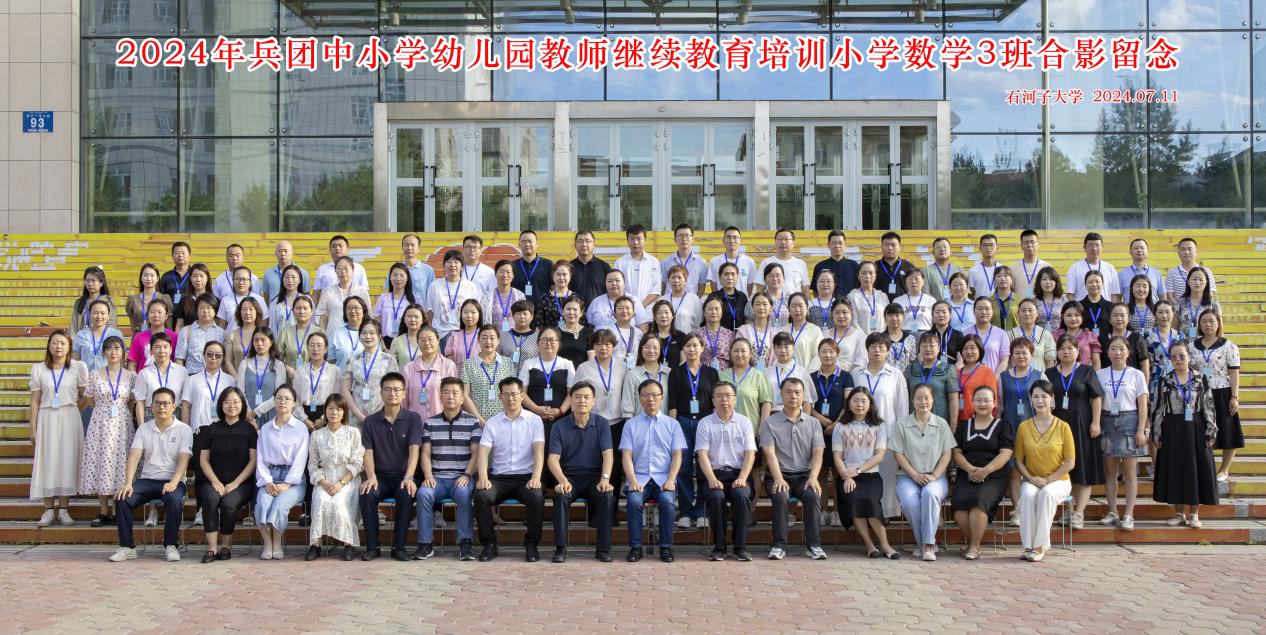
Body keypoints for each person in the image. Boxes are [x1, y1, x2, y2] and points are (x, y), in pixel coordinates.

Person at [108, 387, 192, 563]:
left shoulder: (184, 429)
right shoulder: (144, 428)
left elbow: (184, 459)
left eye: (166, 404)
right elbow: (134, 456)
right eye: (157, 403)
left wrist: (174, 482)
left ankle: (171, 545)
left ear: (173, 406)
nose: (161, 407)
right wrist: (128, 482)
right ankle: (127, 547)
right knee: (122, 499)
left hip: (173, 480)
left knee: (174, 499)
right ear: (151, 406)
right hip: (147, 480)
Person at [475, 377, 547, 562]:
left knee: (536, 496)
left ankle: (531, 544)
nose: (510, 398)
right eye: (506, 394)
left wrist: (536, 477)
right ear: (500, 397)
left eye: (514, 394)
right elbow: (482, 452)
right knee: (482, 495)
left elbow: (539, 451)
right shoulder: (493, 422)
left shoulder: (534, 420)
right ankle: (489, 544)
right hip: (499, 479)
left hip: (526, 478)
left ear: (522, 396)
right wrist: (483, 478)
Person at [1151, 342, 1218, 529]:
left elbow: (1209, 406)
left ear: (1189, 356)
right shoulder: (1164, 380)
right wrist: (1157, 434)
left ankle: (1194, 514)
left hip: (1195, 427)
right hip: (1172, 428)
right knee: (1175, 469)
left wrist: (1210, 432)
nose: (1178, 360)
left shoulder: (1200, 378)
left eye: (1181, 356)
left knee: (1194, 469)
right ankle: (1179, 513)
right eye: (1173, 357)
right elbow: (1157, 409)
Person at [547, 382, 616, 563]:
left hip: (595, 479)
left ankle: (603, 549)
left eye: (586, 397)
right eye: (577, 396)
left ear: (593, 401)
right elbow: (552, 459)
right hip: (569, 478)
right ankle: (561, 548)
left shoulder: (602, 423)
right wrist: (562, 480)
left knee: (607, 496)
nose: (582, 401)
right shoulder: (559, 426)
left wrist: (605, 479)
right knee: (561, 495)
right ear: (571, 400)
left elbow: (608, 455)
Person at [413, 378, 481, 562]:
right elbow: (425, 453)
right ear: (440, 396)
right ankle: (425, 544)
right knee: (423, 493)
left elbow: (476, 454)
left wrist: (467, 474)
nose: (451, 396)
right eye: (446, 392)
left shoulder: (472, 422)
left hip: (462, 477)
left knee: (463, 494)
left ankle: (465, 543)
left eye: (455, 393)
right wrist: (428, 476)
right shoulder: (430, 423)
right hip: (438, 478)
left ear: (462, 398)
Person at [762, 377, 829, 561]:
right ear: (781, 395)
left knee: (812, 495)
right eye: (789, 392)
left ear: (803, 396)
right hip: (778, 475)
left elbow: (818, 453)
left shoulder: (813, 423)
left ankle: (813, 545)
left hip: (804, 476)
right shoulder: (770, 422)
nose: (793, 396)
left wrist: (813, 477)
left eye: (797, 392)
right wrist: (778, 478)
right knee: (781, 495)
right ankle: (778, 545)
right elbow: (769, 453)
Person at [620, 378, 686, 563]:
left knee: (667, 501)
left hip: (664, 479)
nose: (650, 399)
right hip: (639, 478)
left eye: (655, 395)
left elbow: (677, 455)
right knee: (633, 501)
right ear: (640, 399)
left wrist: (671, 479)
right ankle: (635, 548)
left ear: (662, 397)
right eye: (646, 395)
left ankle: (665, 547)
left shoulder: (673, 425)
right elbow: (626, 456)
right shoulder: (630, 425)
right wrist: (632, 480)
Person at [358, 372, 423, 561]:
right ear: (381, 393)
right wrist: (371, 477)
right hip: (380, 477)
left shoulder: (413, 419)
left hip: (404, 475)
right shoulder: (370, 421)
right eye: (387, 389)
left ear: (404, 393)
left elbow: (414, 450)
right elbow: (367, 452)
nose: (392, 393)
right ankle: (373, 547)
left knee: (406, 494)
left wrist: (409, 477)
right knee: (367, 494)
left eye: (397, 389)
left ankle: (398, 547)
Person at [890, 383, 956, 562]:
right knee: (909, 502)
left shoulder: (941, 423)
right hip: (908, 477)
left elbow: (947, 454)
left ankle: (927, 545)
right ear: (912, 400)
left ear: (933, 400)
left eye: (926, 398)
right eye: (918, 398)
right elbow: (898, 454)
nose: (923, 402)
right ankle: (927, 544)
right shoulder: (902, 424)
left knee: (930, 494)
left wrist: (934, 476)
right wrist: (914, 475)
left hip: (936, 477)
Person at [1046, 333, 1106, 530]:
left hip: (1082, 426)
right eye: (1062, 349)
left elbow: (1096, 397)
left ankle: (1079, 512)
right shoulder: (1049, 373)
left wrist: (1096, 422)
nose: (1066, 352)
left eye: (1070, 348)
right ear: (1057, 352)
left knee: (1083, 468)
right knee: (1063, 469)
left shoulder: (1086, 371)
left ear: (1077, 351)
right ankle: (1068, 510)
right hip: (1056, 427)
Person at [832, 387, 899, 559]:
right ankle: (870, 545)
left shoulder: (879, 426)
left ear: (870, 405)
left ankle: (885, 545)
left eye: (863, 401)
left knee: (871, 502)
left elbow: (879, 456)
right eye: (855, 401)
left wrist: (858, 470)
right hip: (847, 475)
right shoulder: (840, 426)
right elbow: (837, 456)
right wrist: (846, 475)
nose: (859, 404)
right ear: (849, 404)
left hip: (870, 475)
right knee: (854, 499)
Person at [29, 330, 88, 527]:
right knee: (47, 461)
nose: (59, 347)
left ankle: (63, 509)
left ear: (69, 346)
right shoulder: (39, 369)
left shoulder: (77, 368)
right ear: (49, 345)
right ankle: (48, 510)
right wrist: (32, 428)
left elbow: (86, 395)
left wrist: (74, 409)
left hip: (69, 418)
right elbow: (35, 401)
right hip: (47, 417)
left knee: (66, 461)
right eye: (55, 343)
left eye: (63, 343)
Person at [1013, 379, 1076, 562]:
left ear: (1052, 398)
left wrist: (1048, 480)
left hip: (1059, 481)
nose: (1040, 401)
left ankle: (1040, 546)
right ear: (1031, 399)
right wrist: (1030, 478)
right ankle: (1028, 546)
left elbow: (1070, 462)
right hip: (1031, 479)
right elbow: (1018, 461)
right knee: (1028, 495)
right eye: (1035, 397)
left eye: (1044, 396)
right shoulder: (1024, 427)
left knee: (1046, 495)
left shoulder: (1063, 427)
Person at [950, 386, 1014, 560]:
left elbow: (1006, 453)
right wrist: (970, 469)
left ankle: (974, 546)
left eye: (987, 400)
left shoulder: (1002, 425)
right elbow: (956, 452)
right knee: (959, 508)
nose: (982, 404)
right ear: (972, 402)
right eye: (978, 400)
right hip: (967, 473)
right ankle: (975, 541)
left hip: (994, 475)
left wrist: (986, 471)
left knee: (978, 503)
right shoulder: (964, 425)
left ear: (994, 403)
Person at [695, 381, 756, 561]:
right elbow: (702, 454)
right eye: (719, 396)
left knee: (741, 495)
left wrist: (743, 478)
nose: (724, 399)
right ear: (713, 400)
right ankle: (719, 547)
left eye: (728, 395)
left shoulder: (744, 422)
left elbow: (750, 453)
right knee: (716, 496)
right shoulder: (705, 423)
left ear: (735, 399)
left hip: (738, 474)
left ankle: (740, 548)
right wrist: (712, 479)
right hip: (714, 475)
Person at [79, 335, 136, 527]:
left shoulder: (131, 376)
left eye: (117, 348)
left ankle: (118, 509)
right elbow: (89, 399)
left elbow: (131, 401)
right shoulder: (95, 374)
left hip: (122, 424)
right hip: (100, 424)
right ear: (103, 352)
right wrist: (103, 410)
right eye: (109, 348)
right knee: (101, 462)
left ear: (123, 352)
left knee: (120, 462)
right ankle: (104, 511)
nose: (113, 352)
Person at [852, 332, 910, 518]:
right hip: (860, 434)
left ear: (887, 350)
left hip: (888, 434)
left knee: (887, 475)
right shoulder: (857, 374)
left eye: (881, 347)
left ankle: (886, 514)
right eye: (873, 346)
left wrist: (901, 435)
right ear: (867, 350)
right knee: (864, 475)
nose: (877, 350)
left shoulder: (895, 375)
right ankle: (866, 512)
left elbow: (902, 407)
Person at [665, 334, 719, 529]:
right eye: (688, 346)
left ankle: (703, 511)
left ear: (702, 348)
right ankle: (686, 511)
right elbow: (672, 402)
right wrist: (673, 427)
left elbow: (715, 400)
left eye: (695, 345)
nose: (692, 349)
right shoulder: (676, 373)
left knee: (705, 468)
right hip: (683, 422)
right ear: (683, 349)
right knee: (684, 469)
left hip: (706, 423)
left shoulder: (711, 372)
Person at [1096, 336, 1150, 531]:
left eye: (1121, 349)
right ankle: (1112, 511)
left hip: (1129, 420)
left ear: (1128, 352)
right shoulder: (1100, 374)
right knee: (1110, 472)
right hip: (1107, 420)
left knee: (1129, 472)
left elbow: (1142, 405)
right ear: (1107, 352)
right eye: (1113, 349)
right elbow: (1096, 401)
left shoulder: (1136, 374)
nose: (1117, 352)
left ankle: (1128, 514)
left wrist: (1141, 429)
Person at [197, 388, 257, 563]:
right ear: (221, 405)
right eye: (227, 402)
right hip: (213, 481)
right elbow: (204, 460)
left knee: (228, 504)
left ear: (242, 405)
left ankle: (225, 546)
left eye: (236, 402)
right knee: (210, 500)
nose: (232, 406)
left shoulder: (249, 430)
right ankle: (211, 548)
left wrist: (236, 483)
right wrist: (215, 481)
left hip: (241, 483)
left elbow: (253, 461)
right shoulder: (211, 429)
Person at [303, 393, 364, 561]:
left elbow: (358, 463)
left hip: (347, 480)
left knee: (339, 503)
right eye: (331, 408)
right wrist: (323, 482)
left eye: (339, 409)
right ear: (325, 411)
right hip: (324, 479)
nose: (334, 412)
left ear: (344, 412)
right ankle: (315, 544)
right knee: (321, 500)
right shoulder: (317, 435)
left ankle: (349, 544)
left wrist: (340, 483)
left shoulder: (353, 433)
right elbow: (312, 465)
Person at [252, 385, 308, 560]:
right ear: (274, 401)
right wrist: (268, 481)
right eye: (279, 398)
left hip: (294, 480)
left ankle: (277, 542)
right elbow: (260, 459)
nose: (282, 401)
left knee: (279, 504)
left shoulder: (301, 429)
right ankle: (267, 542)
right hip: (270, 476)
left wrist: (287, 483)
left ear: (294, 403)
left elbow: (301, 459)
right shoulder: (265, 429)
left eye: (287, 399)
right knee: (262, 503)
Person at [1190, 310, 1242, 483]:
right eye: (1204, 321)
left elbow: (1234, 373)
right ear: (1199, 324)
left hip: (1222, 391)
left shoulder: (1229, 346)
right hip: (1199, 392)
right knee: (1200, 430)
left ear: (1218, 323)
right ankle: (1205, 467)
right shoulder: (1191, 346)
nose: (1208, 324)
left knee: (1228, 429)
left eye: (1212, 321)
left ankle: (1224, 469)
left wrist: (1234, 396)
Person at [575, 330, 628, 498]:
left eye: (607, 344)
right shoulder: (584, 368)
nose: (603, 348)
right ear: (593, 346)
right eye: (598, 344)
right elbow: (576, 395)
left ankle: (612, 508)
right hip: (594, 423)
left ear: (613, 346)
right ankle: (595, 509)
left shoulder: (622, 366)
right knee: (595, 466)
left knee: (616, 467)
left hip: (617, 424)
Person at [1001, 337, 1045, 522]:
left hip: (1034, 428)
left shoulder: (1039, 375)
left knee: (1033, 468)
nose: (1020, 356)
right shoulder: (1003, 376)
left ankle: (1033, 508)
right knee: (1014, 470)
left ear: (1031, 355)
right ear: (1011, 356)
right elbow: (1000, 404)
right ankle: (1017, 509)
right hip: (1010, 427)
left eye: (1024, 353)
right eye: (1017, 353)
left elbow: (1047, 404)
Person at [520, 326, 576, 445]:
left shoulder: (567, 364)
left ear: (558, 343)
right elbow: (521, 393)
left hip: (561, 418)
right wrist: (537, 410)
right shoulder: (529, 364)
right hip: (533, 417)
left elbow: (572, 393)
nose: (548, 343)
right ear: (538, 343)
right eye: (544, 339)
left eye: (552, 339)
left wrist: (560, 411)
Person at [342, 320, 399, 427]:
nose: (368, 336)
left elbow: (393, 389)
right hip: (355, 416)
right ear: (359, 336)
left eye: (372, 333)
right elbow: (345, 389)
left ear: (379, 336)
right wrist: (357, 413)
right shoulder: (353, 359)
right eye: (364, 333)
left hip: (382, 415)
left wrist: (377, 413)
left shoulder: (388, 360)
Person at [130, 332, 188, 429]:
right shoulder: (144, 373)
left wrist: (185, 428)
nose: (162, 351)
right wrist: (141, 428)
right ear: (151, 351)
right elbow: (140, 402)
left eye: (165, 347)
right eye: (157, 347)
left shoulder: (182, 372)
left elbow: (185, 403)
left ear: (171, 349)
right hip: (151, 418)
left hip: (175, 418)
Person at [460, 325, 515, 424]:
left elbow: (514, 392)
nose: (488, 342)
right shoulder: (468, 364)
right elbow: (465, 395)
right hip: (477, 423)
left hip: (505, 421)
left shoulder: (508, 363)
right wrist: (481, 422)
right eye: (484, 338)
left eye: (492, 338)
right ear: (478, 340)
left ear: (498, 341)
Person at [428, 250, 483, 347]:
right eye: (449, 262)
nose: (452, 265)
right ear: (444, 265)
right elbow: (429, 312)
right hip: (440, 334)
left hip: (463, 332)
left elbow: (477, 311)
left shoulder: (470, 286)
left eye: (456, 262)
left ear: (462, 266)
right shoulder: (435, 286)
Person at [904, 331, 959, 425]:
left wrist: (953, 426)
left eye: (932, 345)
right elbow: (905, 398)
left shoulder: (948, 369)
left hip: (939, 423)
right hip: (914, 423)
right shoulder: (910, 369)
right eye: (924, 346)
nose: (928, 349)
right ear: (919, 349)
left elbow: (953, 400)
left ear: (939, 348)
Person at [405, 325, 458, 423]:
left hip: (442, 423)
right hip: (414, 424)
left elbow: (454, 397)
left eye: (430, 339)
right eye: (422, 340)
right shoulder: (408, 368)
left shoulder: (449, 366)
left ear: (438, 341)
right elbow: (404, 400)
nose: (427, 343)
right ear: (417, 343)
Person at [239, 328, 288, 427]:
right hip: (247, 415)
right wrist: (248, 412)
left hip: (271, 415)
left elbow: (278, 395)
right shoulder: (245, 363)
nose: (259, 343)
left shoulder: (278, 365)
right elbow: (240, 391)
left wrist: (257, 411)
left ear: (271, 342)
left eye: (263, 340)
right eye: (256, 340)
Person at [956, 335, 1000, 433]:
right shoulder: (956, 372)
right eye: (965, 348)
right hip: (957, 421)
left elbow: (993, 400)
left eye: (972, 348)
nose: (969, 351)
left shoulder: (987, 372)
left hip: (978, 422)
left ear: (980, 350)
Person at [316, 257, 371, 334]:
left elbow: (368, 315)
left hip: (357, 336)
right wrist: (322, 337)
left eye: (346, 268)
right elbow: (323, 319)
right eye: (339, 268)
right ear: (335, 271)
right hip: (333, 335)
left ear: (352, 270)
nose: (343, 271)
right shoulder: (327, 292)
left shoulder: (361, 291)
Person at [174, 294, 225, 376]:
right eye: (202, 308)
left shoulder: (222, 333)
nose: (205, 311)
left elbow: (225, 361)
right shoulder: (186, 331)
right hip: (192, 376)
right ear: (196, 310)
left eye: (209, 308)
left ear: (215, 311)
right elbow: (179, 359)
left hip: (216, 377)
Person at [295, 333, 342, 422]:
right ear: (307, 348)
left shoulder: (334, 370)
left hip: (327, 415)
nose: (315, 349)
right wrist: (304, 419)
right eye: (311, 345)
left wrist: (324, 419)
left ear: (326, 349)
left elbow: (337, 398)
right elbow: (296, 399)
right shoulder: (300, 371)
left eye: (319, 345)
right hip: (303, 416)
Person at [587, 269, 652, 331]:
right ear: (605, 283)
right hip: (601, 338)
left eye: (617, 280)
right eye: (610, 281)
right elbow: (589, 325)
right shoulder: (596, 302)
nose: (614, 283)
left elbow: (643, 326)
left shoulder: (634, 301)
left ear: (624, 283)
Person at [74, 298, 126, 374]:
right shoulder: (81, 335)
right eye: (95, 313)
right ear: (89, 315)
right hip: (85, 378)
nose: (99, 316)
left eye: (103, 313)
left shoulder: (116, 334)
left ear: (108, 316)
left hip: (109, 378)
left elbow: (121, 361)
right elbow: (75, 362)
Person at [314, 235, 370, 303]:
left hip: (353, 307)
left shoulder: (359, 268)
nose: (337, 248)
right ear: (330, 250)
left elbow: (364, 293)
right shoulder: (322, 269)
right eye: (334, 246)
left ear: (347, 249)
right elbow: (316, 294)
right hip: (329, 308)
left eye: (340, 245)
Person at [1066, 232, 1121, 301]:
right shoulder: (1075, 268)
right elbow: (1070, 295)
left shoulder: (1110, 268)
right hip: (1082, 307)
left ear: (1102, 247)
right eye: (1090, 245)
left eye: (1097, 245)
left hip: (1105, 307)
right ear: (1084, 247)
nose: (1094, 248)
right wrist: (1076, 308)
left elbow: (1115, 295)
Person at [126, 299, 178, 372]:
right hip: (144, 377)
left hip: (168, 377)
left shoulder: (174, 337)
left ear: (166, 315)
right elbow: (132, 363)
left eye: (159, 312)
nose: (156, 315)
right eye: (152, 312)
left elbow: (178, 361)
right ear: (147, 315)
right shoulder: (138, 337)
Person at [1101, 303, 1150, 376]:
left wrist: (1144, 383)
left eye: (1122, 315)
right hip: (1107, 381)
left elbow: (1144, 365)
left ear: (1128, 319)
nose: (1119, 319)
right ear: (1110, 319)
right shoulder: (1102, 339)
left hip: (1132, 381)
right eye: (1115, 315)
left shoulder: (1137, 338)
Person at [708, 226, 758, 296]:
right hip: (721, 301)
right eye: (728, 237)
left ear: (740, 240)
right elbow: (714, 286)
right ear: (723, 240)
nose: (732, 241)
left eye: (735, 237)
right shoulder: (715, 261)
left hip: (742, 301)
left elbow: (750, 287)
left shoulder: (749, 262)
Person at [125, 263, 174, 334]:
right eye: (145, 275)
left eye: (152, 275)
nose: (149, 278)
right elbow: (132, 324)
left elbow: (168, 325)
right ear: (141, 278)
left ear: (157, 278)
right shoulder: (133, 300)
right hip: (139, 337)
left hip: (159, 337)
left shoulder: (164, 299)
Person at [374, 263, 416, 344]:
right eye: (395, 275)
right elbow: (377, 324)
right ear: (390, 277)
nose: (398, 278)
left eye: (402, 275)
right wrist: (382, 344)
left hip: (407, 342)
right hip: (385, 341)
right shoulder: (383, 298)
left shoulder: (414, 299)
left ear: (407, 278)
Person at [1053, 301, 1103, 370]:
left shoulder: (1090, 335)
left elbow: (1096, 363)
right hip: (1061, 374)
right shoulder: (1055, 335)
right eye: (1069, 315)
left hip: (1085, 374)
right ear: (1062, 316)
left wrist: (1095, 376)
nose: (1073, 319)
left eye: (1077, 315)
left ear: (1082, 316)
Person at [760, 228, 811, 295]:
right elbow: (760, 288)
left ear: (793, 243)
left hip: (795, 301)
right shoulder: (766, 262)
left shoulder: (801, 264)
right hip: (772, 301)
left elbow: (805, 289)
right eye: (780, 239)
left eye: (787, 239)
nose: (783, 242)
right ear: (775, 243)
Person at [965, 298, 1009, 374]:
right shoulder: (966, 333)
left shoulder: (1001, 334)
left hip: (994, 378)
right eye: (980, 309)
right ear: (973, 311)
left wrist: (994, 378)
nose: (983, 312)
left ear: (992, 311)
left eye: (987, 309)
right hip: (971, 378)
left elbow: (1004, 361)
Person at [1166, 237, 1217, 303]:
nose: (1186, 252)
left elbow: (1210, 293)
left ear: (1196, 252)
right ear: (1178, 253)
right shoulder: (1172, 273)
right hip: (1178, 308)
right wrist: (1180, 308)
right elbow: (1169, 296)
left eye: (1189, 249)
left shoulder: (1207, 272)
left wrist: (1198, 307)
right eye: (1183, 249)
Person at [662, 223, 709, 295]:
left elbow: (701, 288)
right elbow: (662, 286)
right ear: (675, 239)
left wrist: (694, 300)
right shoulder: (666, 261)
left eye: (687, 235)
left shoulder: (701, 262)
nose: (684, 239)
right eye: (680, 236)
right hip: (670, 301)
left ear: (692, 239)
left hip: (691, 301)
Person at [277, 295, 322, 369]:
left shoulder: (319, 332)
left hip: (313, 374)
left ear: (311, 311)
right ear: (293, 311)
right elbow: (277, 358)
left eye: (305, 308)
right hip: (291, 374)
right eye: (298, 308)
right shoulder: (286, 333)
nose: (302, 311)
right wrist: (288, 369)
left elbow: (323, 358)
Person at [569, 230, 613, 305]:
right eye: (580, 241)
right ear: (575, 245)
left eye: (587, 241)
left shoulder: (604, 267)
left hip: (598, 310)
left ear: (594, 244)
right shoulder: (569, 267)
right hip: (574, 310)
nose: (584, 244)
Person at [812, 230, 859, 300]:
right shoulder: (820, 266)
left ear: (845, 245)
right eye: (834, 243)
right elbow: (815, 291)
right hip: (828, 305)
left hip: (850, 305)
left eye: (840, 243)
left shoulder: (854, 266)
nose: (837, 246)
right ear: (828, 245)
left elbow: (859, 288)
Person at [392, 233, 436, 307]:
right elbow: (389, 291)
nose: (409, 248)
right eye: (406, 245)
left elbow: (432, 295)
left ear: (418, 248)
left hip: (420, 311)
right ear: (402, 248)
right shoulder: (396, 269)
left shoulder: (428, 270)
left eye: (413, 245)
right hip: (399, 310)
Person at [782, 293, 825, 370]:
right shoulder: (783, 331)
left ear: (807, 308)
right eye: (794, 306)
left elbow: (818, 356)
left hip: (807, 374)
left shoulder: (815, 330)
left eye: (801, 306)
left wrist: (806, 374)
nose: (797, 309)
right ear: (789, 309)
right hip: (785, 374)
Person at [533, 260, 579, 331]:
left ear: (570, 276)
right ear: (553, 276)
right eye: (558, 274)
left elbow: (582, 323)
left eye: (564, 274)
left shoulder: (577, 298)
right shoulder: (545, 299)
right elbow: (538, 325)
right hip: (550, 337)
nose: (561, 278)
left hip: (572, 336)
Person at [512, 230, 554, 306]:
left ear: (537, 244)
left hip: (543, 310)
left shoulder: (548, 264)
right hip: (519, 310)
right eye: (524, 242)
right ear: (519, 245)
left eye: (530, 241)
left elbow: (554, 288)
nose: (527, 244)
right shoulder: (512, 266)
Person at [72, 265, 117, 334]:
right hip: (81, 339)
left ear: (101, 283)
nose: (90, 284)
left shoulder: (108, 301)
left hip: (102, 339)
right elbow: (73, 327)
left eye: (93, 280)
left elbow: (111, 326)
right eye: (87, 280)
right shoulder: (79, 303)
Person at [1177, 267, 1220, 339]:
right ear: (1188, 281)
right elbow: (1174, 329)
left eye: (1201, 280)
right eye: (1194, 279)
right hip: (1184, 344)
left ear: (1206, 282)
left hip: (1206, 343)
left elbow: (1219, 329)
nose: (1197, 282)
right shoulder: (1180, 302)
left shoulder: (1213, 303)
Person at [1012, 298, 1056, 369]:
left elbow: (1050, 361)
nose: (1027, 313)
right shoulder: (1010, 334)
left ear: (1037, 313)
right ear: (1018, 313)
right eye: (1023, 310)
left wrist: (1046, 375)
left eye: (1030, 310)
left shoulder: (1045, 335)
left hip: (1040, 374)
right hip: (1016, 375)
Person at [485, 260, 527, 333]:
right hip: (494, 337)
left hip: (515, 337)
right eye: (501, 271)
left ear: (513, 275)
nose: (505, 275)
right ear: (495, 274)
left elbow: (524, 318)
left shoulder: (520, 296)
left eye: (508, 272)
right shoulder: (487, 297)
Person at [328, 296, 369, 371]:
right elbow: (331, 361)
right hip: (341, 376)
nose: (352, 311)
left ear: (364, 311)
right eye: (349, 308)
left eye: (356, 307)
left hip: (364, 377)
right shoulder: (336, 333)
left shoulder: (370, 333)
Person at [737, 292, 777, 369]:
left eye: (765, 304)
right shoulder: (743, 331)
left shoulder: (776, 334)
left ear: (771, 308)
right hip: (747, 374)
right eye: (758, 304)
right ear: (752, 307)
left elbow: (777, 358)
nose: (761, 307)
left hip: (770, 374)